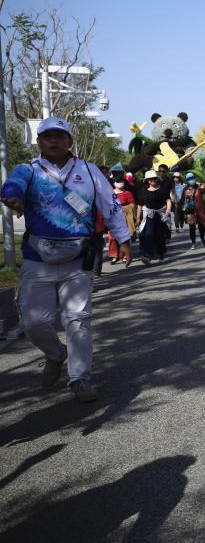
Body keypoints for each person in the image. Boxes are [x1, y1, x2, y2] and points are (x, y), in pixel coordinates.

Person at [0, 117, 131, 402]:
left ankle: (80, 379)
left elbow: (110, 204)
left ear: (70, 141)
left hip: (78, 257)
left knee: (78, 319)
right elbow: (12, 185)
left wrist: (123, 239)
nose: (55, 141)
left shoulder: (89, 170)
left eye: (60, 136)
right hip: (38, 259)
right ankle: (56, 354)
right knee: (34, 322)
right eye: (48, 136)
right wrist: (12, 197)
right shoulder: (29, 170)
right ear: (39, 142)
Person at [136, 170, 172, 264]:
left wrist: (168, 209)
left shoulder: (162, 189)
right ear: (147, 180)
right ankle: (147, 256)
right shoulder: (143, 191)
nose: (153, 180)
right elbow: (140, 205)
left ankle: (160, 255)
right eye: (151, 179)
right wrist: (138, 218)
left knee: (160, 235)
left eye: (154, 179)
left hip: (160, 215)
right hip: (149, 216)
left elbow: (168, 200)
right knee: (148, 235)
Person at [109, 178, 136, 264]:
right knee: (112, 237)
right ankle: (114, 255)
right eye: (118, 181)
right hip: (113, 217)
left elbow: (132, 204)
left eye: (121, 181)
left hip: (125, 217)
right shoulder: (110, 193)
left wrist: (124, 208)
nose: (119, 183)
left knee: (124, 236)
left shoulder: (127, 193)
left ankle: (124, 255)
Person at [180, 172, 205, 249]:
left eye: (192, 178)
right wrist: (182, 211)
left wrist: (204, 188)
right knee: (192, 228)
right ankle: (193, 243)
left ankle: (202, 238)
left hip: (200, 210)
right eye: (189, 179)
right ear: (187, 180)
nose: (191, 180)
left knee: (201, 226)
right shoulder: (185, 189)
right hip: (190, 211)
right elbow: (182, 200)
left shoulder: (199, 188)